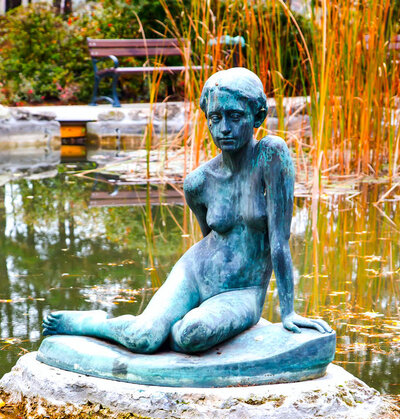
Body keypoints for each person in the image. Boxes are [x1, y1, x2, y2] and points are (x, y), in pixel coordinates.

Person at [43, 67, 331, 354]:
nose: (224, 129)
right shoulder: (198, 182)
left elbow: (279, 242)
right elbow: (208, 239)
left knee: (189, 336)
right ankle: (92, 323)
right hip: (194, 272)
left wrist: (288, 312)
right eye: (215, 119)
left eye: (235, 116)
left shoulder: (271, 155)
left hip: (242, 291)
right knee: (144, 337)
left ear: (257, 117)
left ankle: (176, 324)